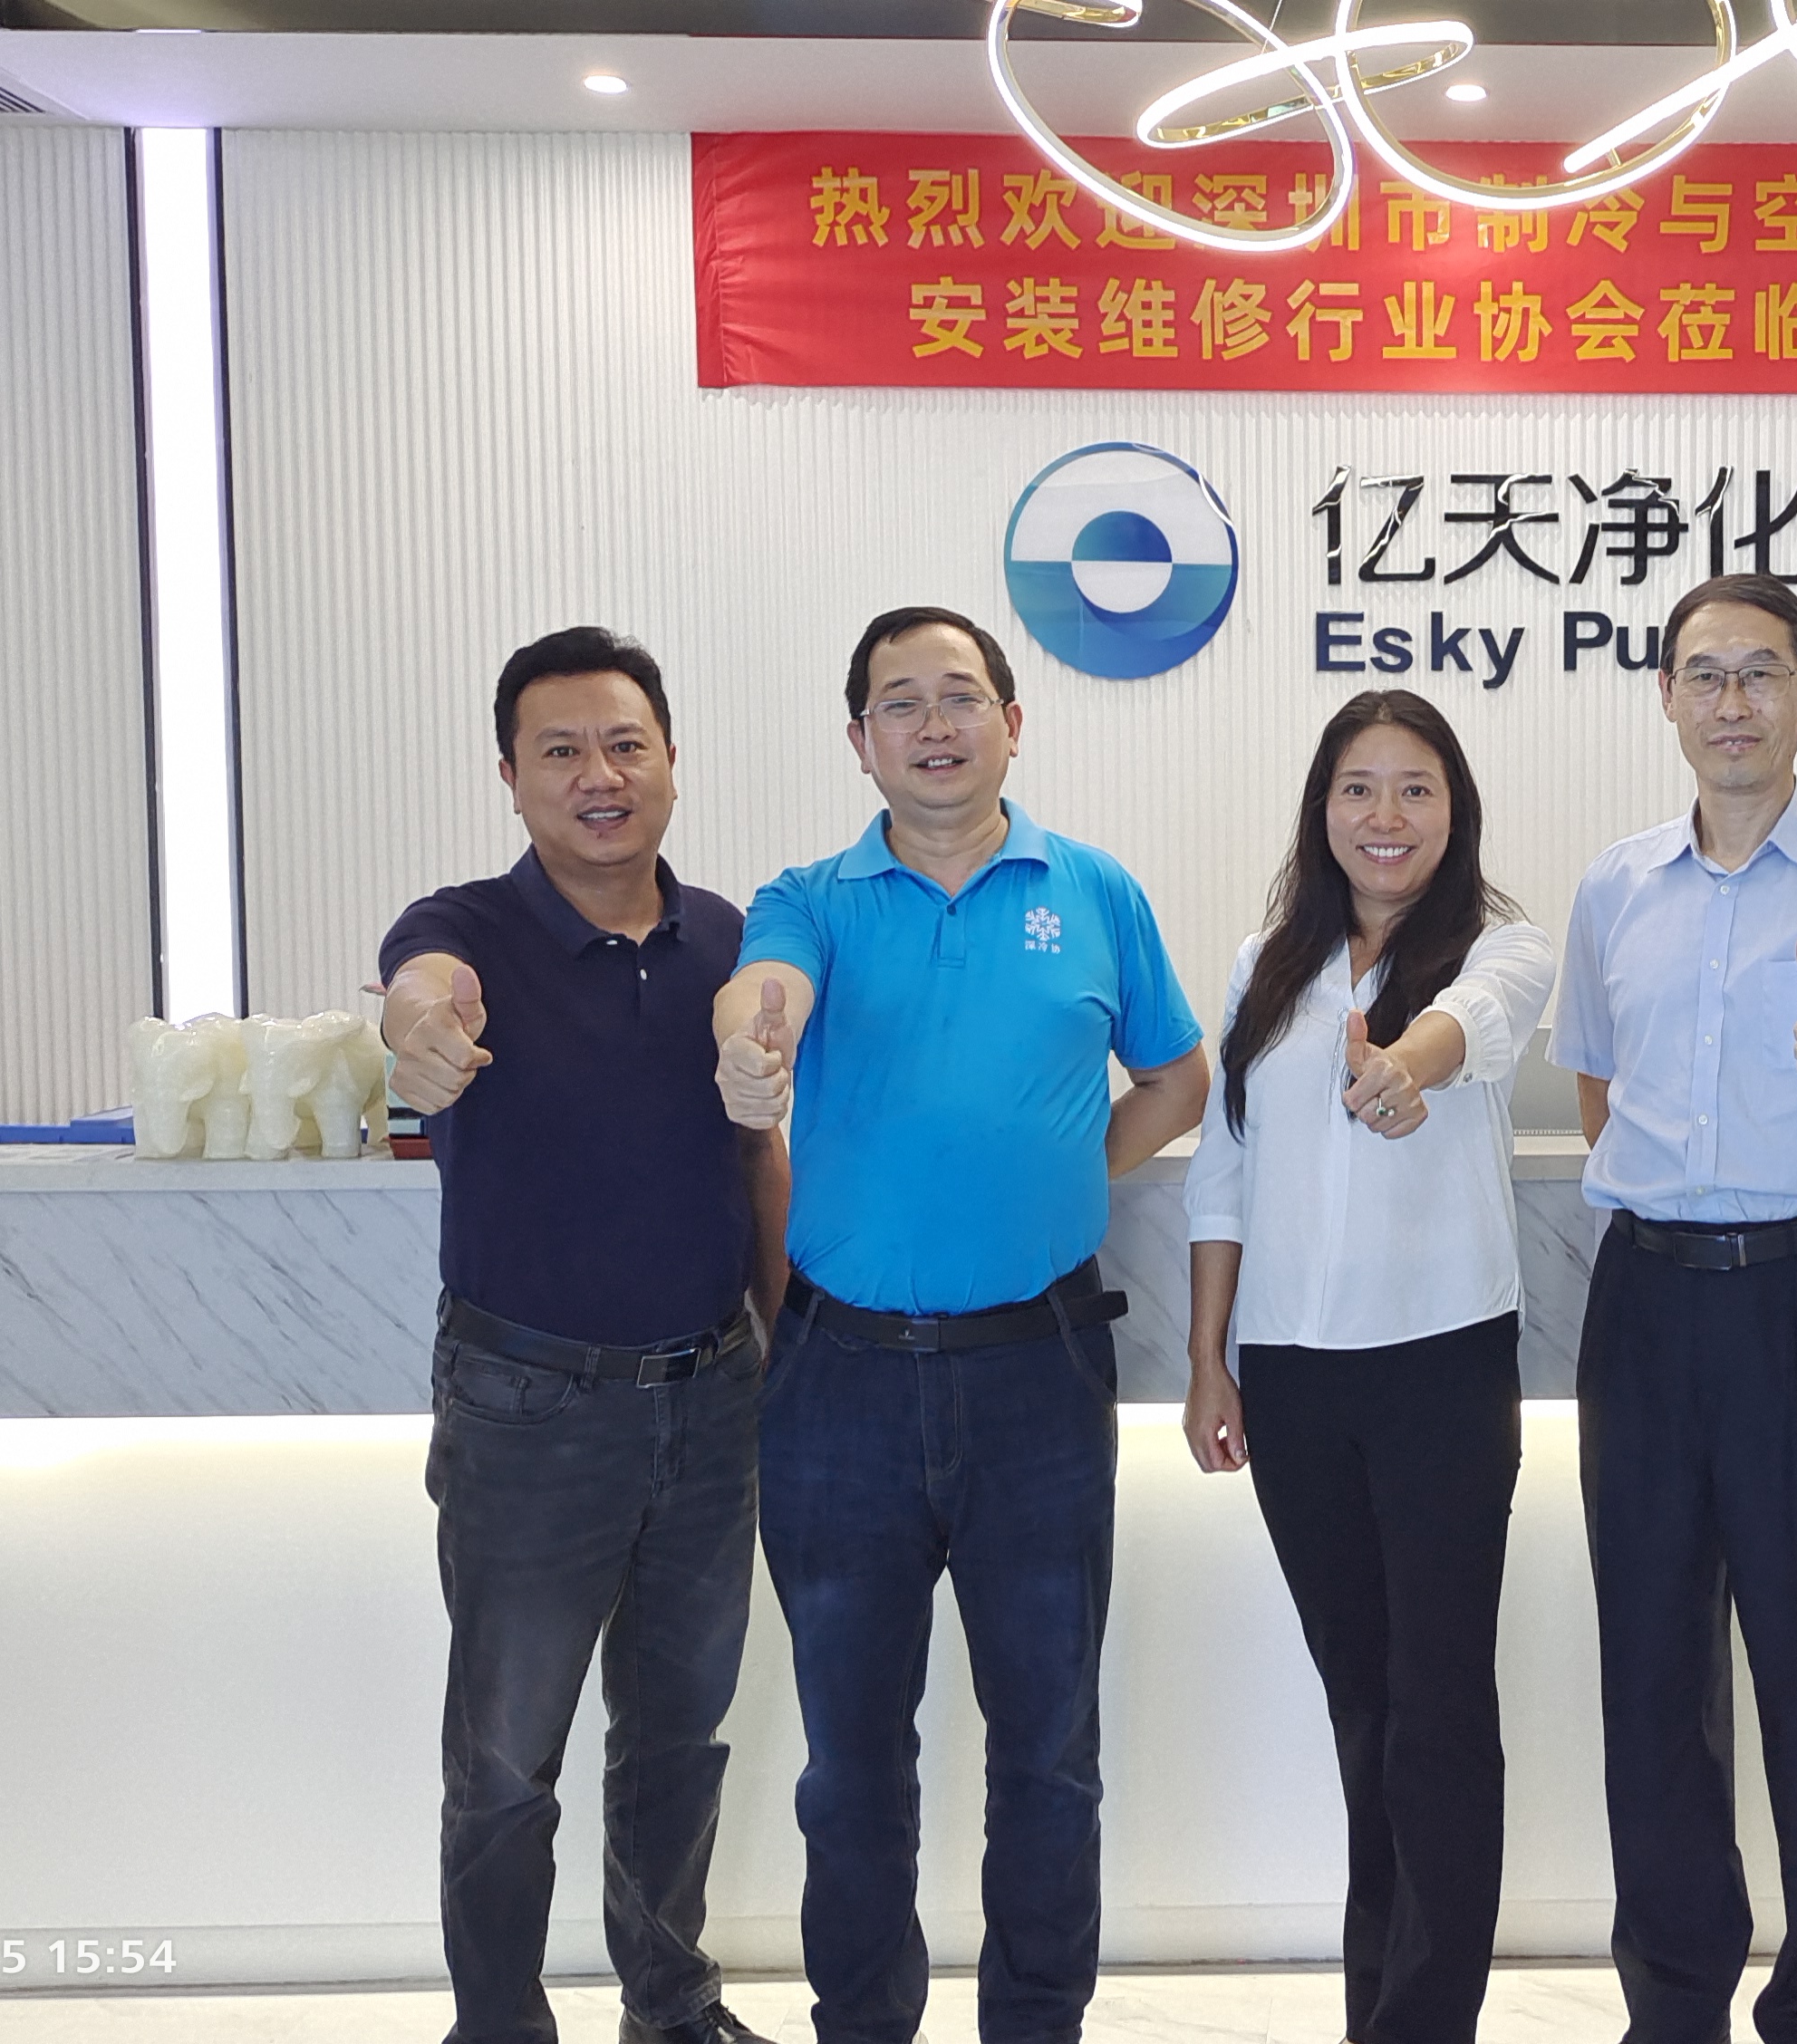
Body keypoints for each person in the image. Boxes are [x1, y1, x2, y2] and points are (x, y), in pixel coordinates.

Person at [713, 604, 1208, 2044]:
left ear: (1012, 721)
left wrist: (1068, 1166)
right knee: (851, 1763)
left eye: (961, 696)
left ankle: (1035, 2024)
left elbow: (1177, 1079)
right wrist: (749, 1041)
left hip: (1037, 1375)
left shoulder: (1094, 890)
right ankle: (863, 2023)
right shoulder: (810, 898)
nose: (934, 725)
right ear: (859, 739)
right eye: (900, 702)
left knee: (1048, 1749)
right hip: (839, 1383)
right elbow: (764, 992)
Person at [1548, 572, 1797, 2044]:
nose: (1734, 702)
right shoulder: (1615, 885)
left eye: (1762, 673)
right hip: (1647, 1307)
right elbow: (1598, 1084)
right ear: (1666, 696)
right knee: (1651, 1674)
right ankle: (1674, 2006)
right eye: (1705, 674)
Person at [378, 624, 788, 2044]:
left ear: (671, 761)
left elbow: (756, 1158)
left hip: (712, 1397)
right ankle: (497, 2023)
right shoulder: (464, 932)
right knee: (506, 1760)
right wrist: (420, 1034)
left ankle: (669, 2006)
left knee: (679, 1737)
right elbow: (417, 993)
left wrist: (784, 1345)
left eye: (625, 745)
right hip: (527, 1406)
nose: (598, 776)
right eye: (560, 751)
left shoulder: (725, 940)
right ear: (511, 776)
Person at [1177, 689, 1556, 2044]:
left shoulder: (1504, 947)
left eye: (1415, 789)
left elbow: (1474, 1030)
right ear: (1322, 808)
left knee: (1439, 1707)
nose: (1384, 816)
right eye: (1358, 788)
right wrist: (1210, 1357)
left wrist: (1404, 1065)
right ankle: (1377, 2006)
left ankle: (1425, 2018)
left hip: (1441, 1367)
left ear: (1454, 811)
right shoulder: (1265, 966)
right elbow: (1225, 1168)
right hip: (1291, 1375)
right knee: (1362, 1705)